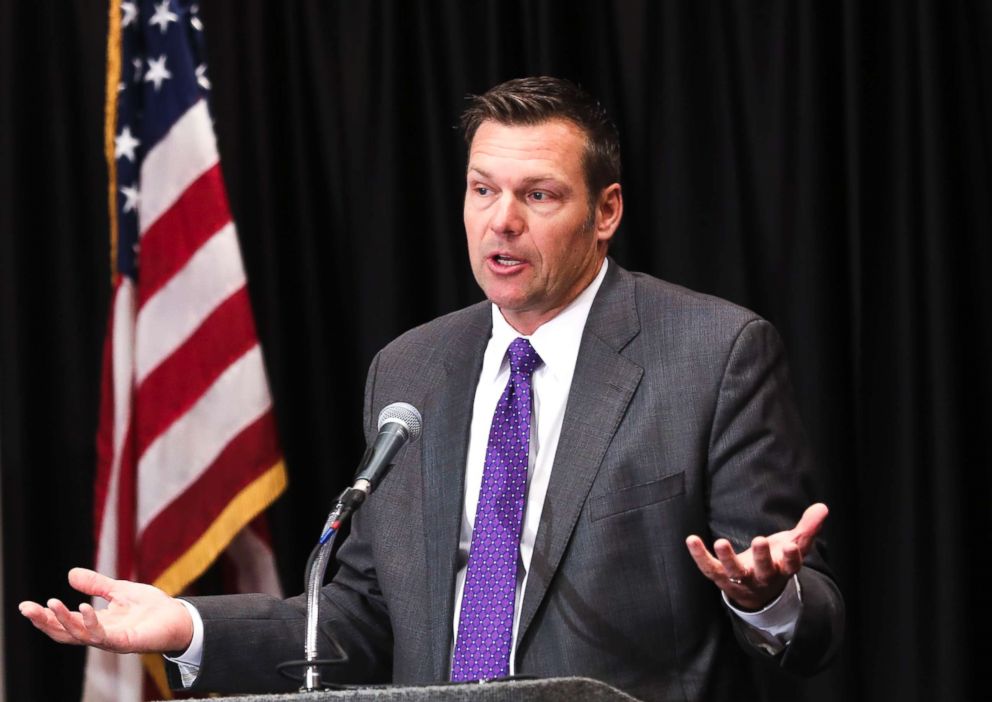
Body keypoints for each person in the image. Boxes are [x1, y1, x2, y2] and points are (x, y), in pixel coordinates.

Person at [21, 76, 843, 701]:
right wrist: (186, 625)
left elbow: (813, 626)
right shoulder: (411, 370)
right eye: (482, 189)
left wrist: (766, 596)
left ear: (607, 211)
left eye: (538, 195)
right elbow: (361, 617)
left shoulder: (714, 353)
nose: (500, 221)